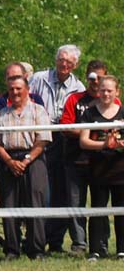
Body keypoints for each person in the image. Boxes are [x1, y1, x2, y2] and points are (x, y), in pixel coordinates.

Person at [29, 45, 86, 253]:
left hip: (65, 141)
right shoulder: (39, 78)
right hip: (40, 137)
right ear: (56, 59)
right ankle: (35, 238)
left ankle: (55, 241)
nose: (64, 64)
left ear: (75, 65)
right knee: (40, 189)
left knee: (61, 191)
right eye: (61, 59)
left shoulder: (78, 87)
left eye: (69, 62)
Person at [0, 69, 52, 260]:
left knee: (36, 203)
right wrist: (10, 161)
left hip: (33, 159)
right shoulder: (2, 114)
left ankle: (36, 249)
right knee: (9, 204)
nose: (15, 92)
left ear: (27, 90)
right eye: (11, 89)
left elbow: (43, 140)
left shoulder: (38, 111)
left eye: (18, 88)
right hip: (8, 159)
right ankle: (12, 249)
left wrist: (26, 160)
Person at [60, 60, 113, 256]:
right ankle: (79, 243)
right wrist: (90, 132)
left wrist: (88, 133)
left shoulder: (113, 102)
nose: (96, 81)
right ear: (86, 76)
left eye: (100, 77)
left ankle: (101, 244)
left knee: (100, 204)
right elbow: (65, 127)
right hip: (75, 160)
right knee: (76, 204)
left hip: (103, 162)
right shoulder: (74, 99)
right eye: (92, 77)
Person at [79, 75, 124, 261]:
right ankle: (95, 250)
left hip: (120, 170)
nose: (106, 94)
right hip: (97, 169)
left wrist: (119, 144)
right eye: (103, 90)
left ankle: (122, 250)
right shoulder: (89, 113)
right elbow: (84, 141)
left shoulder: (123, 112)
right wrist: (104, 144)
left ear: (117, 92)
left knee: (121, 210)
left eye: (109, 90)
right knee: (97, 209)